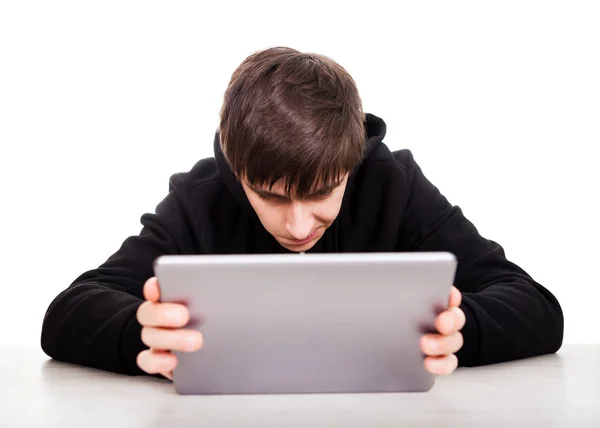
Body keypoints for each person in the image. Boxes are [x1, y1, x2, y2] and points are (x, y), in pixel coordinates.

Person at [41, 46, 563, 381]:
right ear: (237, 167)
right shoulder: (200, 196)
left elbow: (538, 309)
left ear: (351, 162)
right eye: (269, 195)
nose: (297, 227)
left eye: (320, 193)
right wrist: (142, 333)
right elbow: (66, 314)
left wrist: (458, 329)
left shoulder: (392, 182)